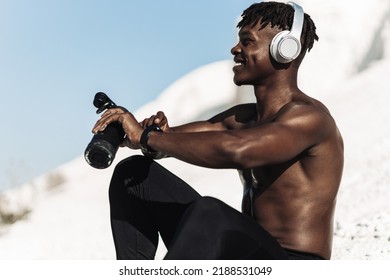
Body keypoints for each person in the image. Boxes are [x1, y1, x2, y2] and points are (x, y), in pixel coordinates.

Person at [92, 1, 344, 260]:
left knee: (210, 214)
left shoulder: (308, 118)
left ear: (284, 49)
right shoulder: (244, 118)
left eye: (247, 41)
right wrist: (148, 136)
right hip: (248, 258)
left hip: (294, 265)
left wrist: (147, 136)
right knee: (133, 173)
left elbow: (237, 150)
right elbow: (188, 138)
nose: (235, 49)